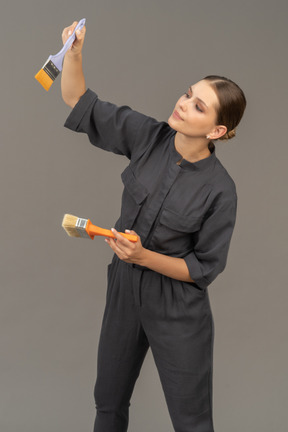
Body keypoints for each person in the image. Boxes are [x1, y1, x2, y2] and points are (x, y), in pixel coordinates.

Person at [61, 21, 246, 432]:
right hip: (125, 287)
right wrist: (73, 53)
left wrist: (145, 255)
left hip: (177, 306)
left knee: (192, 422)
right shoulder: (148, 136)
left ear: (217, 130)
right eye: (187, 94)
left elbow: (202, 270)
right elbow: (78, 100)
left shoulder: (221, 191)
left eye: (199, 106)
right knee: (107, 404)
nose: (183, 104)